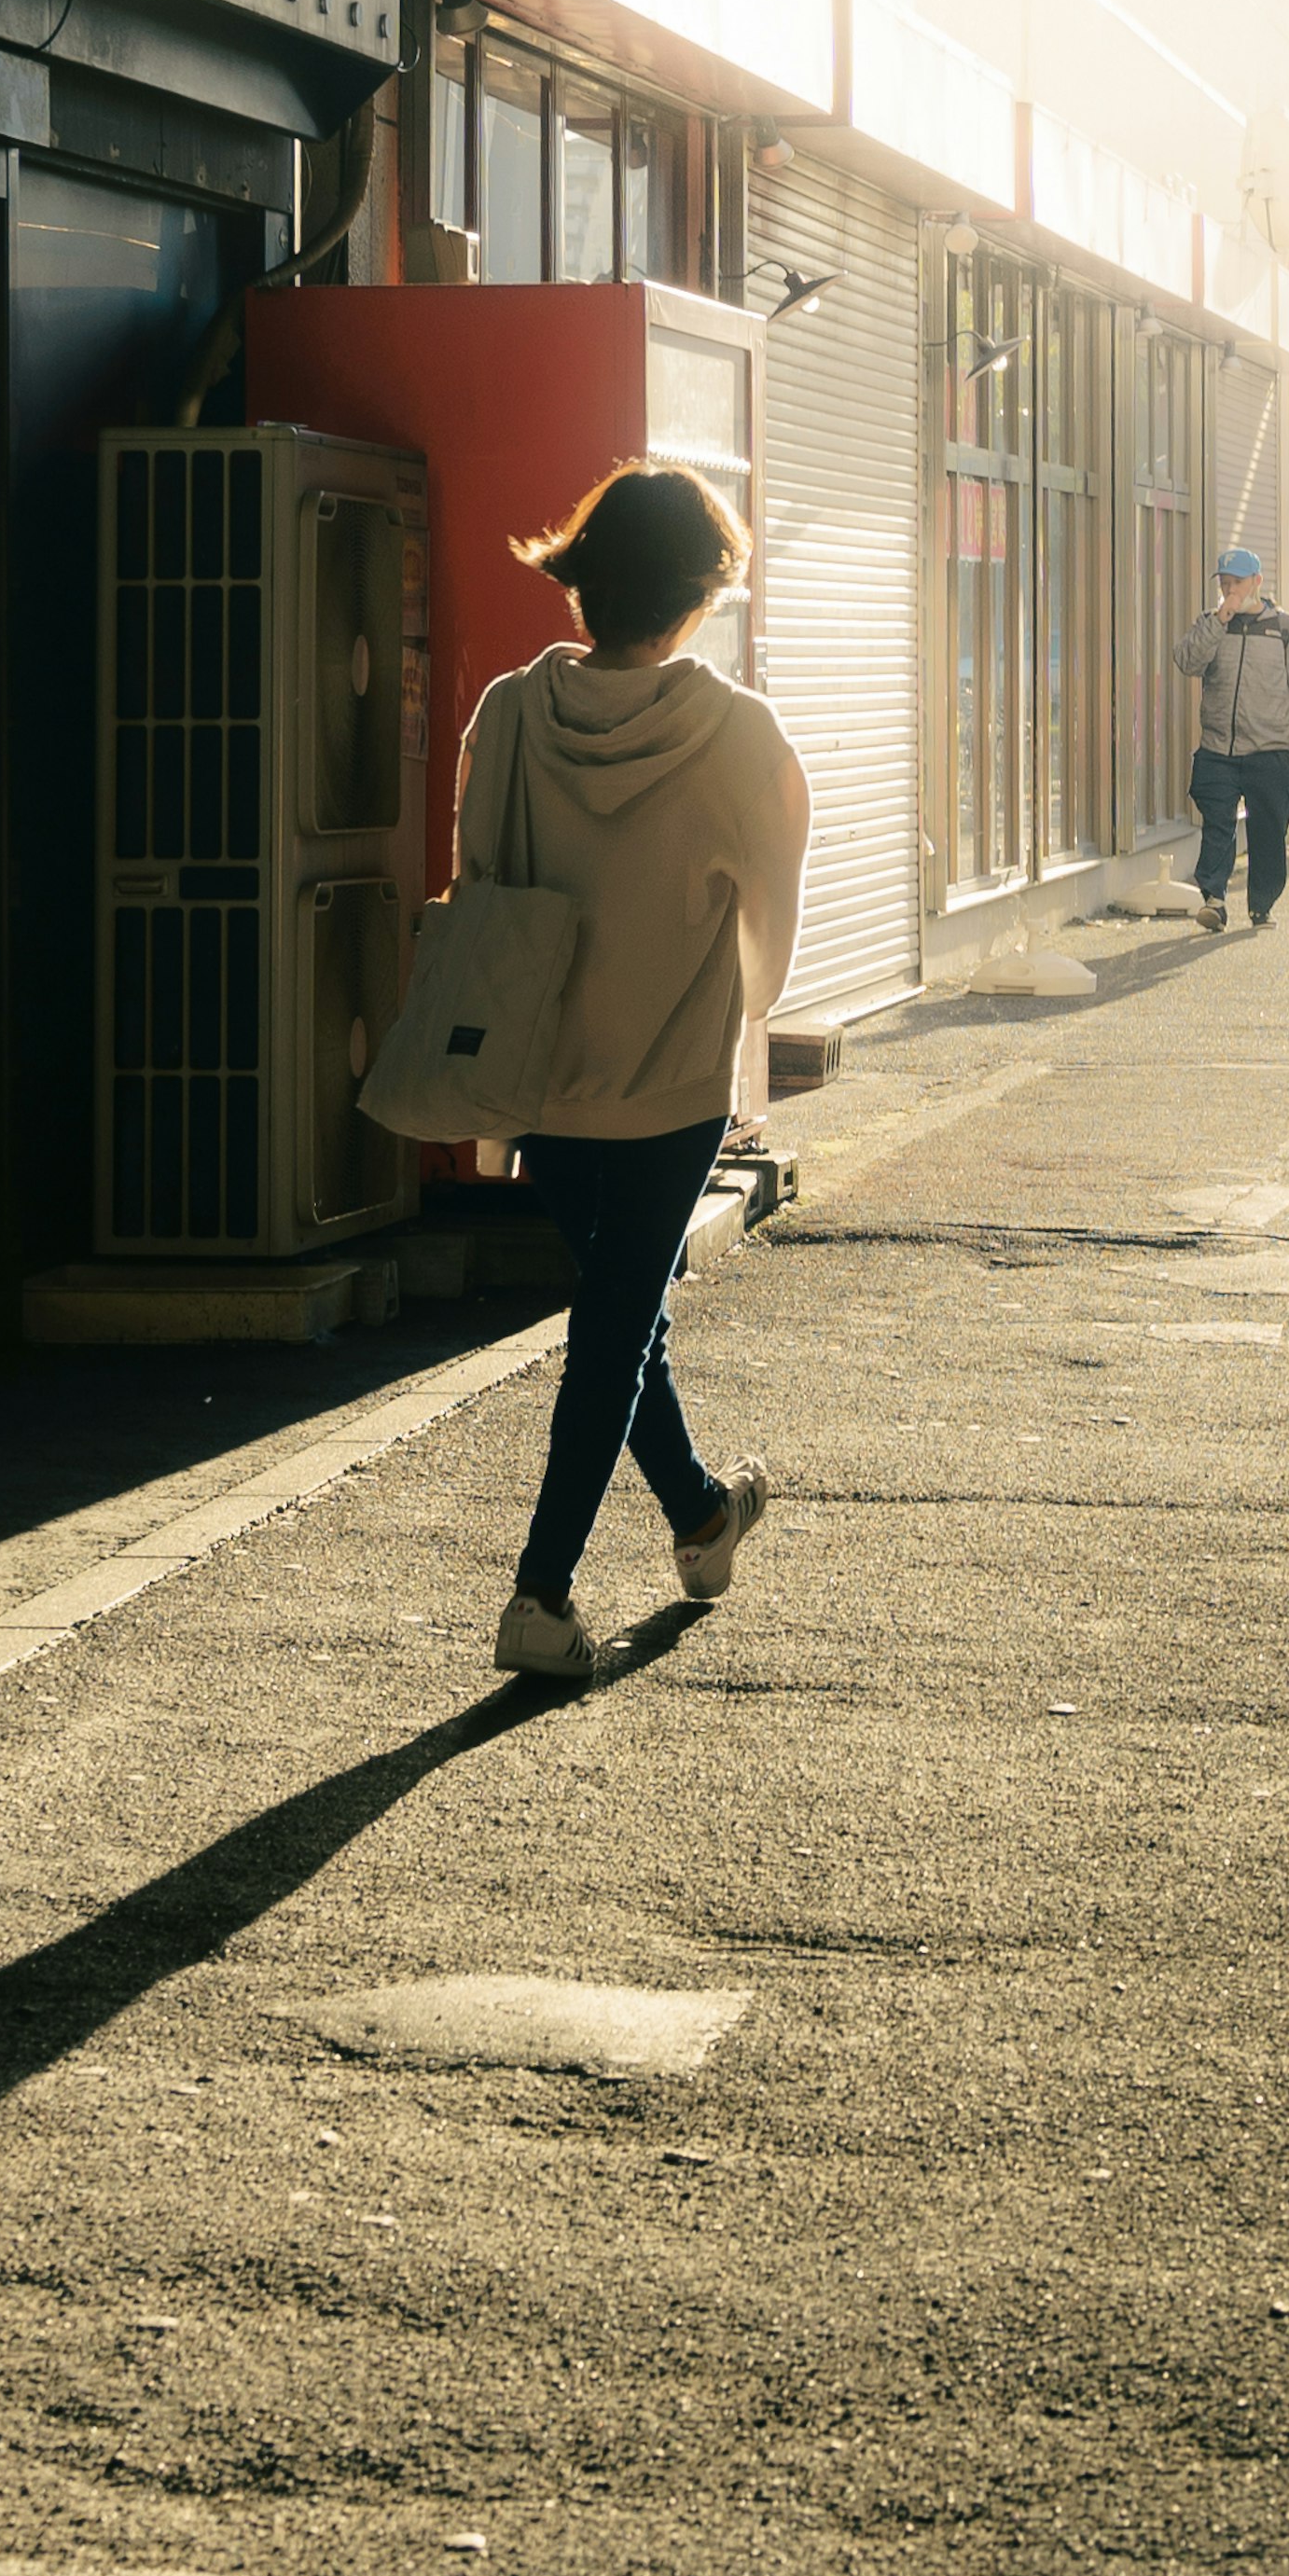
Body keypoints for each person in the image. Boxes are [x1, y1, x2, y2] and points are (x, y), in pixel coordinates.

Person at [455, 459, 811, 1688]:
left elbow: (479, 879)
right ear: (700, 592)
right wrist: (736, 1019)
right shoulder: (738, 732)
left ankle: (704, 1514)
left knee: (619, 1310)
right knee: (615, 1321)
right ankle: (539, 1596)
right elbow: (772, 923)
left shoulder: (507, 715)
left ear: (583, 582)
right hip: (670, 1079)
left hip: (542, 1075)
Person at [1170, 543, 1289, 932]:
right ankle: (1214, 900)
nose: (1230, 591)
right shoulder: (1212, 623)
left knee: (1268, 829)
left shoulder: (1285, 629)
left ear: (1257, 582)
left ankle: (1261, 903)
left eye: (1236, 583)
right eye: (1224, 584)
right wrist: (1219, 620)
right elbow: (1187, 661)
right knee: (1217, 823)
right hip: (1218, 747)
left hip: (1269, 749)